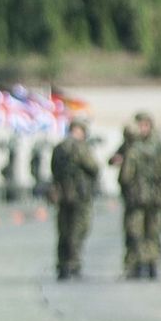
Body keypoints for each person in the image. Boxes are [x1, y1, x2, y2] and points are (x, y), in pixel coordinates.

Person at [114, 113, 161, 279]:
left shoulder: (141, 148)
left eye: (144, 125)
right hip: (143, 197)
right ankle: (142, 264)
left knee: (149, 231)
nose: (142, 129)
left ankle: (149, 264)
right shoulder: (152, 146)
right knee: (138, 231)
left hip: (148, 197)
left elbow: (125, 176)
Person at [48, 117, 99, 280]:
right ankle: (72, 263)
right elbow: (93, 167)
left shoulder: (59, 148)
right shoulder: (81, 148)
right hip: (80, 196)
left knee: (64, 229)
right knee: (78, 230)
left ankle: (63, 264)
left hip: (64, 195)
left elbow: (53, 169)